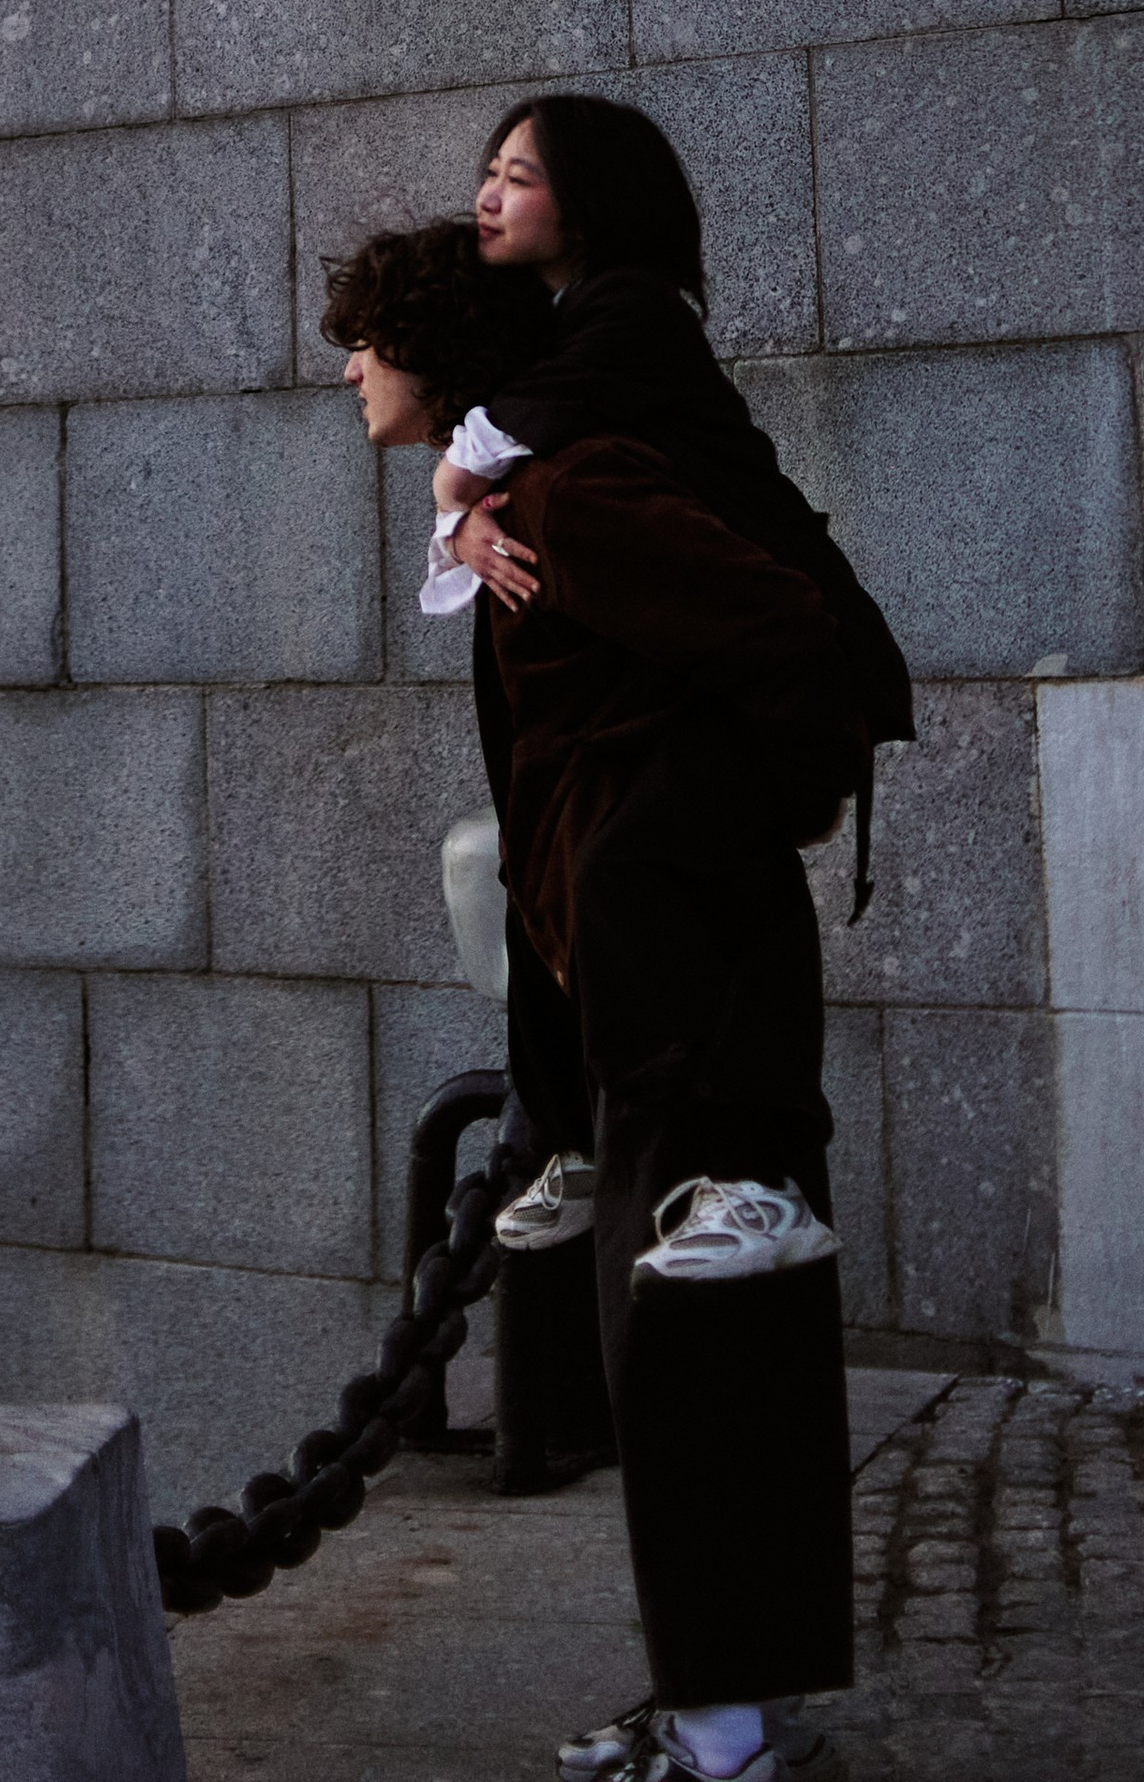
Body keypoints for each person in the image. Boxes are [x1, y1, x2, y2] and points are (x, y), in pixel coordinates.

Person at [325, 108, 907, 1782]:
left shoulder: (577, 487)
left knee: (700, 1360)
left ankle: (723, 1741)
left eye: (365, 348)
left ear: (429, 355)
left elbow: (791, 641)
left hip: (702, 1021)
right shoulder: (528, 503)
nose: (349, 379)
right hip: (652, 1019)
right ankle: (713, 1714)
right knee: (682, 1362)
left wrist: (709, 829)